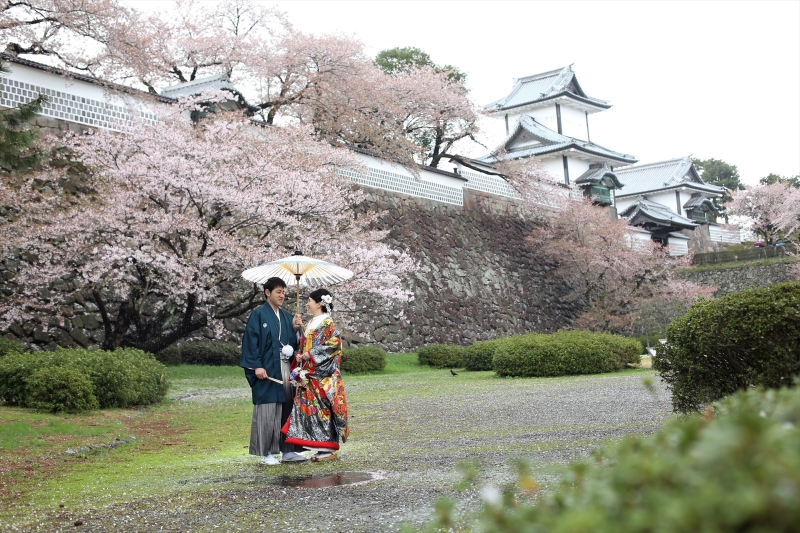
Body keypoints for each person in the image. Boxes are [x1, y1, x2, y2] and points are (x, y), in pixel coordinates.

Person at [239, 277, 305, 465]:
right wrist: (256, 365)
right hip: (267, 368)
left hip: (285, 366)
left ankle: (288, 450)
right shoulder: (258, 314)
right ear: (267, 293)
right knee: (268, 409)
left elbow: (293, 341)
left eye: (283, 292)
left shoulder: (286, 316)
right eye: (278, 291)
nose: (282, 295)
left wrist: (295, 330)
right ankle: (267, 452)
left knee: (287, 407)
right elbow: (251, 342)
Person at [282, 288, 349, 461]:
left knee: (322, 409)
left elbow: (334, 344)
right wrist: (298, 330)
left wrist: (310, 355)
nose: (307, 303)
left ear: (319, 303)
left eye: (309, 301)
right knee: (313, 410)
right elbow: (305, 343)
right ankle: (320, 445)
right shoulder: (313, 321)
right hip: (309, 373)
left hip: (321, 374)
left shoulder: (327, 322)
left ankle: (328, 446)